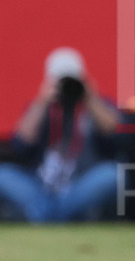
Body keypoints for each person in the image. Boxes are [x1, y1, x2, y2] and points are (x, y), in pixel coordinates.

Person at [0, 48, 120, 222]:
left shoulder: (94, 104)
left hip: (80, 186)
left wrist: (90, 97)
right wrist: (42, 101)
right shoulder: (41, 107)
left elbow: (114, 132)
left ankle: (48, 216)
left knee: (112, 173)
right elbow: (21, 141)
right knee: (3, 174)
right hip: (40, 187)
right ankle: (59, 215)